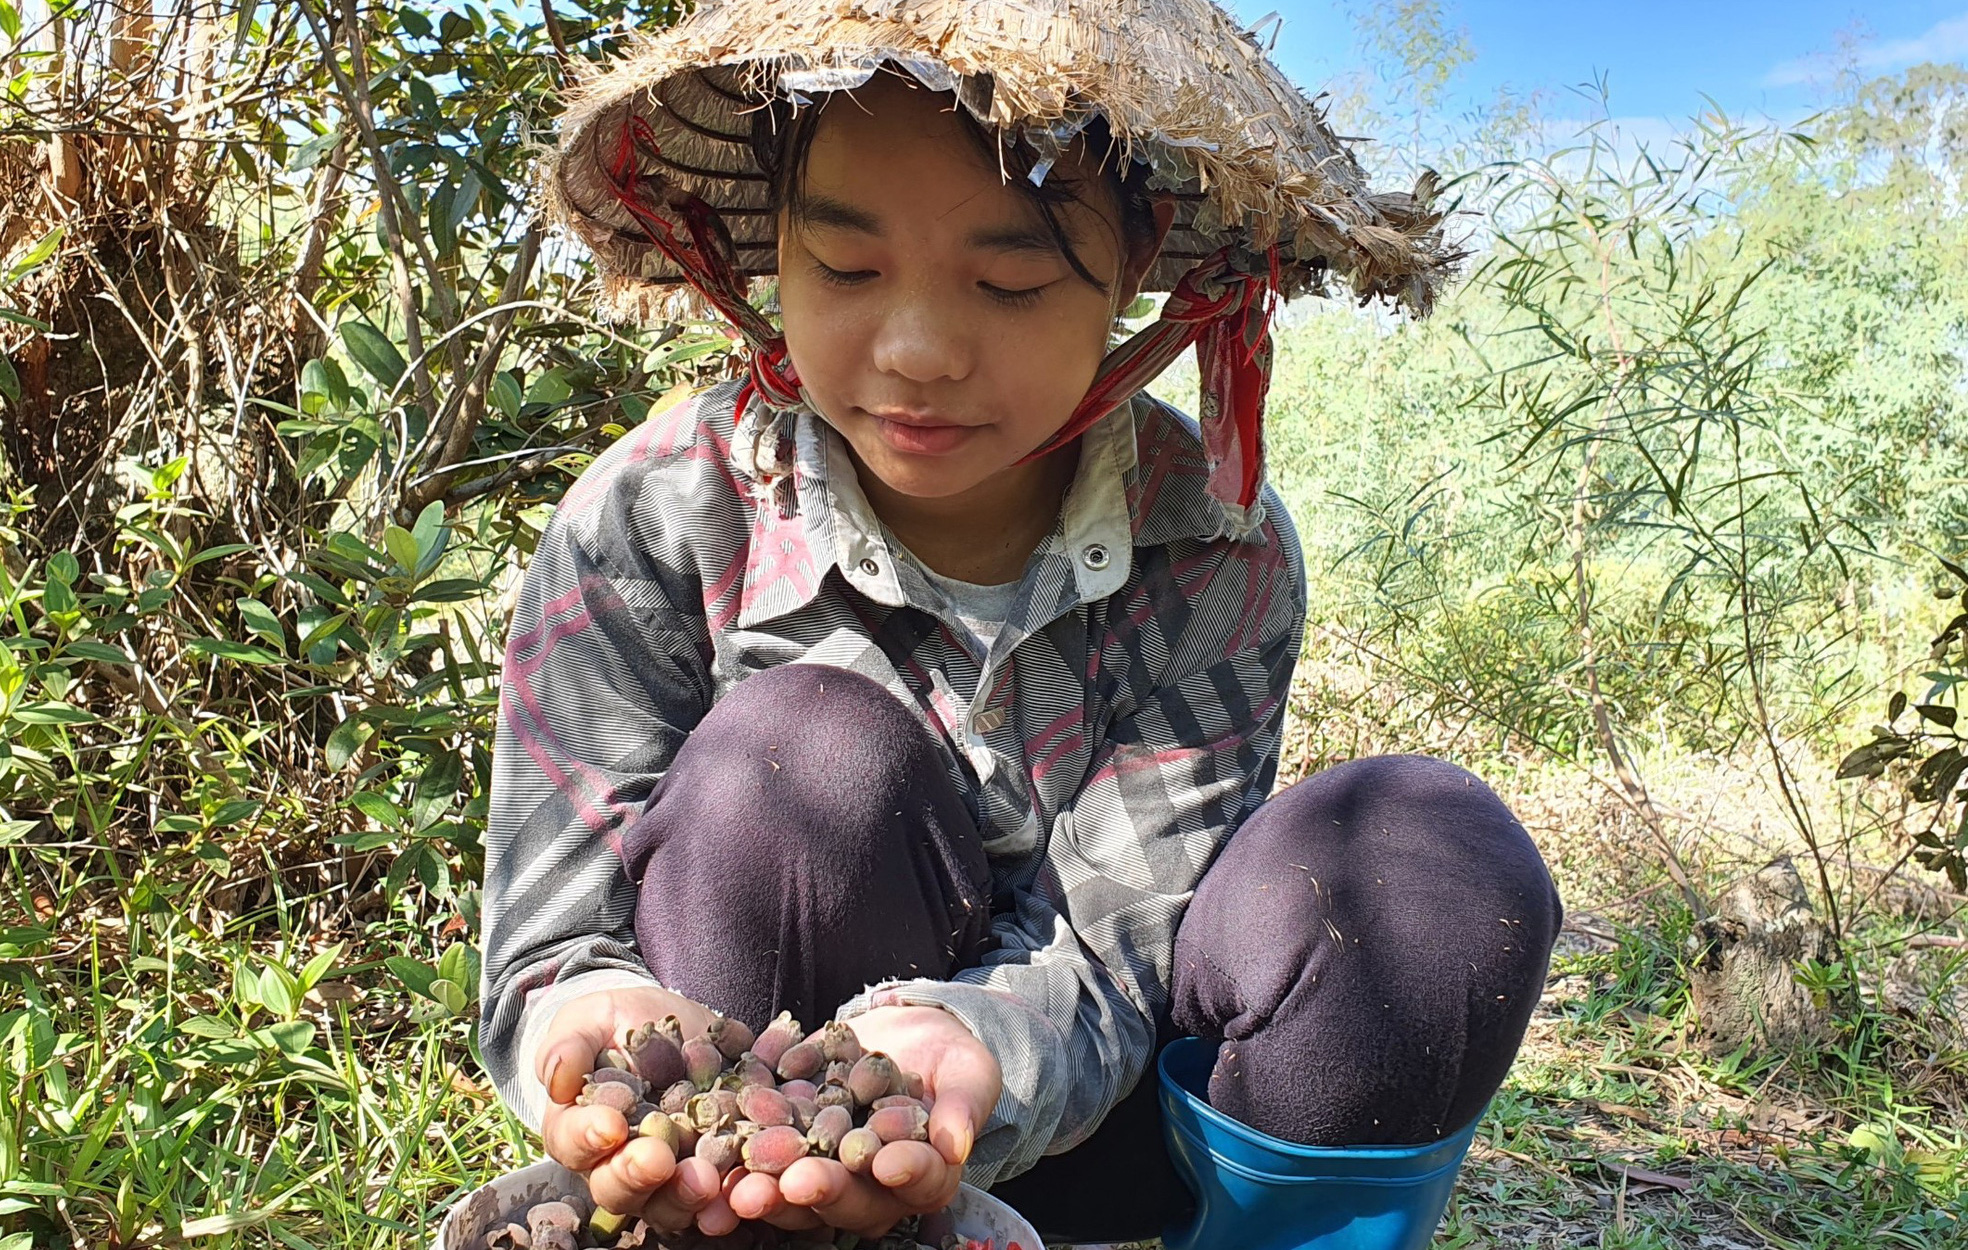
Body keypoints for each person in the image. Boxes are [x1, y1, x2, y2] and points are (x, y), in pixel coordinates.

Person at [478, 0, 1563, 1244]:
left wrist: (972, 1045)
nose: (920, 348)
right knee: (791, 759)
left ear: (1133, 270)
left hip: (1096, 1125)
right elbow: (549, 935)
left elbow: (1120, 942)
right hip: (779, 1133)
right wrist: (593, 1019)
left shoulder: (1216, 545)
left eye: (1009, 280)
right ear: (772, 248)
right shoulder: (657, 516)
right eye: (842, 268)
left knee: (1432, 862)